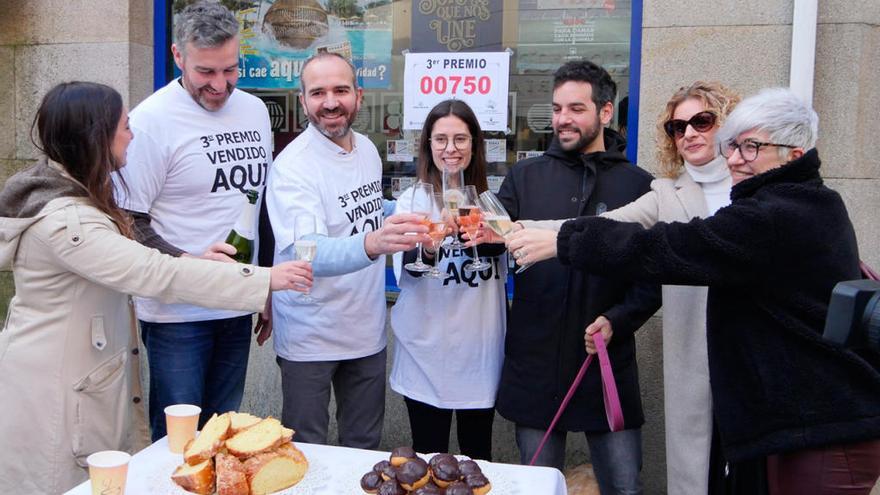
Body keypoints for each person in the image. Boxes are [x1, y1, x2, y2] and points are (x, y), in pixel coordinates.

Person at [510, 87, 880, 495]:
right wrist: (521, 230)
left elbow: (670, 248)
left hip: (817, 424)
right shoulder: (792, 200)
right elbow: (621, 225)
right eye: (735, 147)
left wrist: (565, 245)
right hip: (777, 412)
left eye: (750, 147)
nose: (736, 157)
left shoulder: (775, 214)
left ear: (794, 153)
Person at [0, 81, 312, 494]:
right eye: (124, 126)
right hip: (58, 388)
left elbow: (144, 263)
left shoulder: (74, 195)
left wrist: (194, 260)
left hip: (71, 375)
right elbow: (151, 273)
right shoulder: (69, 222)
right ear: (97, 137)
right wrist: (265, 278)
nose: (132, 134)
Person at [495, 59, 661, 493]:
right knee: (538, 488)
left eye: (576, 108)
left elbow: (651, 279)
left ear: (605, 112)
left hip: (605, 364)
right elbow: (492, 241)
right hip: (536, 364)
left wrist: (619, 320)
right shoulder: (524, 176)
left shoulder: (640, 186)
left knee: (624, 487)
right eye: (556, 108)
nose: (562, 119)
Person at [113, 1, 275, 441]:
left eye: (230, 69)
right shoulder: (150, 121)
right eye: (206, 72)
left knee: (225, 434)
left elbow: (259, 206)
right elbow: (129, 220)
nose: (220, 85)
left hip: (236, 299)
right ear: (177, 56)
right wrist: (188, 260)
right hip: (176, 313)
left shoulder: (255, 111)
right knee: (180, 442)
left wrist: (263, 286)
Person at [266, 52, 429, 449]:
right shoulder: (293, 167)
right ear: (302, 100)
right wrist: (375, 243)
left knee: (363, 447)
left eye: (340, 90)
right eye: (318, 92)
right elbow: (309, 252)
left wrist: (411, 209)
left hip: (366, 330)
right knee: (307, 451)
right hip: (311, 336)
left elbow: (367, 209)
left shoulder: (367, 150)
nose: (330, 102)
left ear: (358, 94)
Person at [389, 100, 507, 461]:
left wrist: (484, 234)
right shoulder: (411, 200)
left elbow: (502, 256)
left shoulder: (492, 200)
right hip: (426, 356)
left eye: (460, 139)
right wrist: (429, 247)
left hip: (479, 356)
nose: (450, 149)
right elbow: (406, 269)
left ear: (475, 144)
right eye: (440, 139)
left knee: (477, 459)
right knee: (427, 459)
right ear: (427, 145)